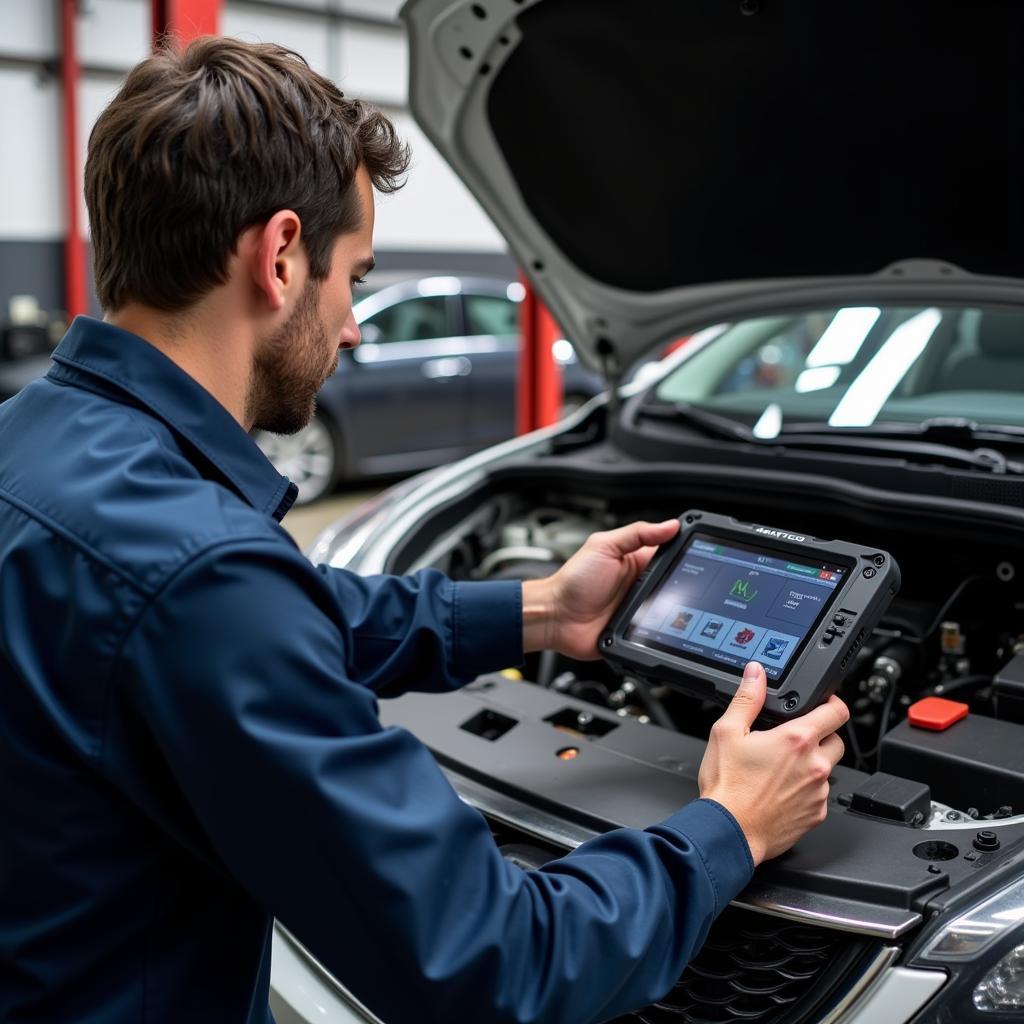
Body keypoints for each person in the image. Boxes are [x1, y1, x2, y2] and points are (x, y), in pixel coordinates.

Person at [0, 37, 849, 1024]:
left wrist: (539, 609)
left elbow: (251, 623)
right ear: (279, 256)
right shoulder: (201, 574)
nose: (355, 327)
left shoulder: (36, 437)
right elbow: (497, 963)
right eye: (355, 278)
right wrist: (730, 826)